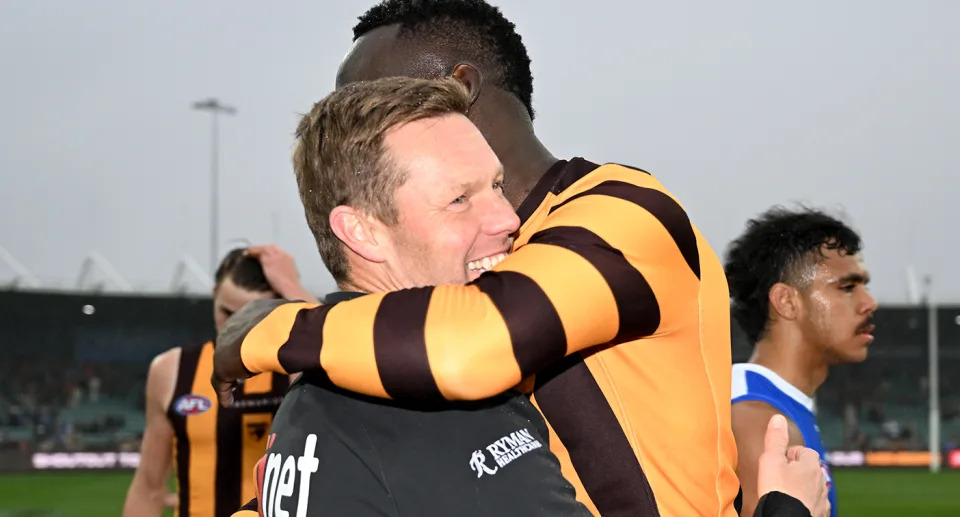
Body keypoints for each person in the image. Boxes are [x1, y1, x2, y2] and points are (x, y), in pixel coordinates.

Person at [214, 2, 827, 516]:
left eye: (373, 98)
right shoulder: (391, 345)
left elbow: (474, 340)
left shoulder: (622, 212)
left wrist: (269, 328)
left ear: (458, 87)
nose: (353, 127)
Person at [235, 77, 592, 516]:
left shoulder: (315, 399)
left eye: (496, 186)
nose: (507, 218)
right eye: (459, 199)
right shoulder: (441, 406)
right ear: (362, 232)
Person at [123, 245, 316, 517]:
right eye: (227, 313)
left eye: (251, 317)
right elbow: (149, 487)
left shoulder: (296, 369)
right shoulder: (171, 370)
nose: (234, 328)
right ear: (214, 296)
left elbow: (337, 349)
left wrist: (290, 284)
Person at [724, 207, 877, 517]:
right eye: (847, 287)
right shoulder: (760, 422)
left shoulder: (775, 406)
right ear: (786, 302)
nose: (869, 303)